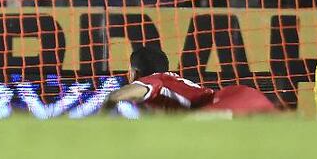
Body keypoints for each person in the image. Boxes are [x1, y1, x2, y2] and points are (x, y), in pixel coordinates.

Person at [102, 46, 275, 115]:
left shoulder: (154, 79)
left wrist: (98, 124)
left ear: (133, 73)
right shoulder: (171, 82)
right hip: (245, 98)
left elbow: (115, 96)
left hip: (229, 102)